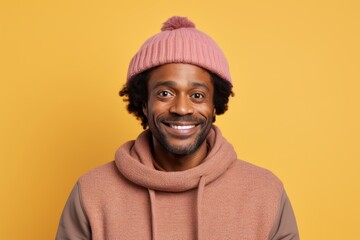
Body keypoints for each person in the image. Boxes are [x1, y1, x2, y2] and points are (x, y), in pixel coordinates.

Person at [56, 16, 299, 240]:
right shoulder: (91, 193)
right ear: (143, 103)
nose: (182, 109)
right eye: (165, 93)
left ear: (215, 105)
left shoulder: (265, 193)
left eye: (197, 95)